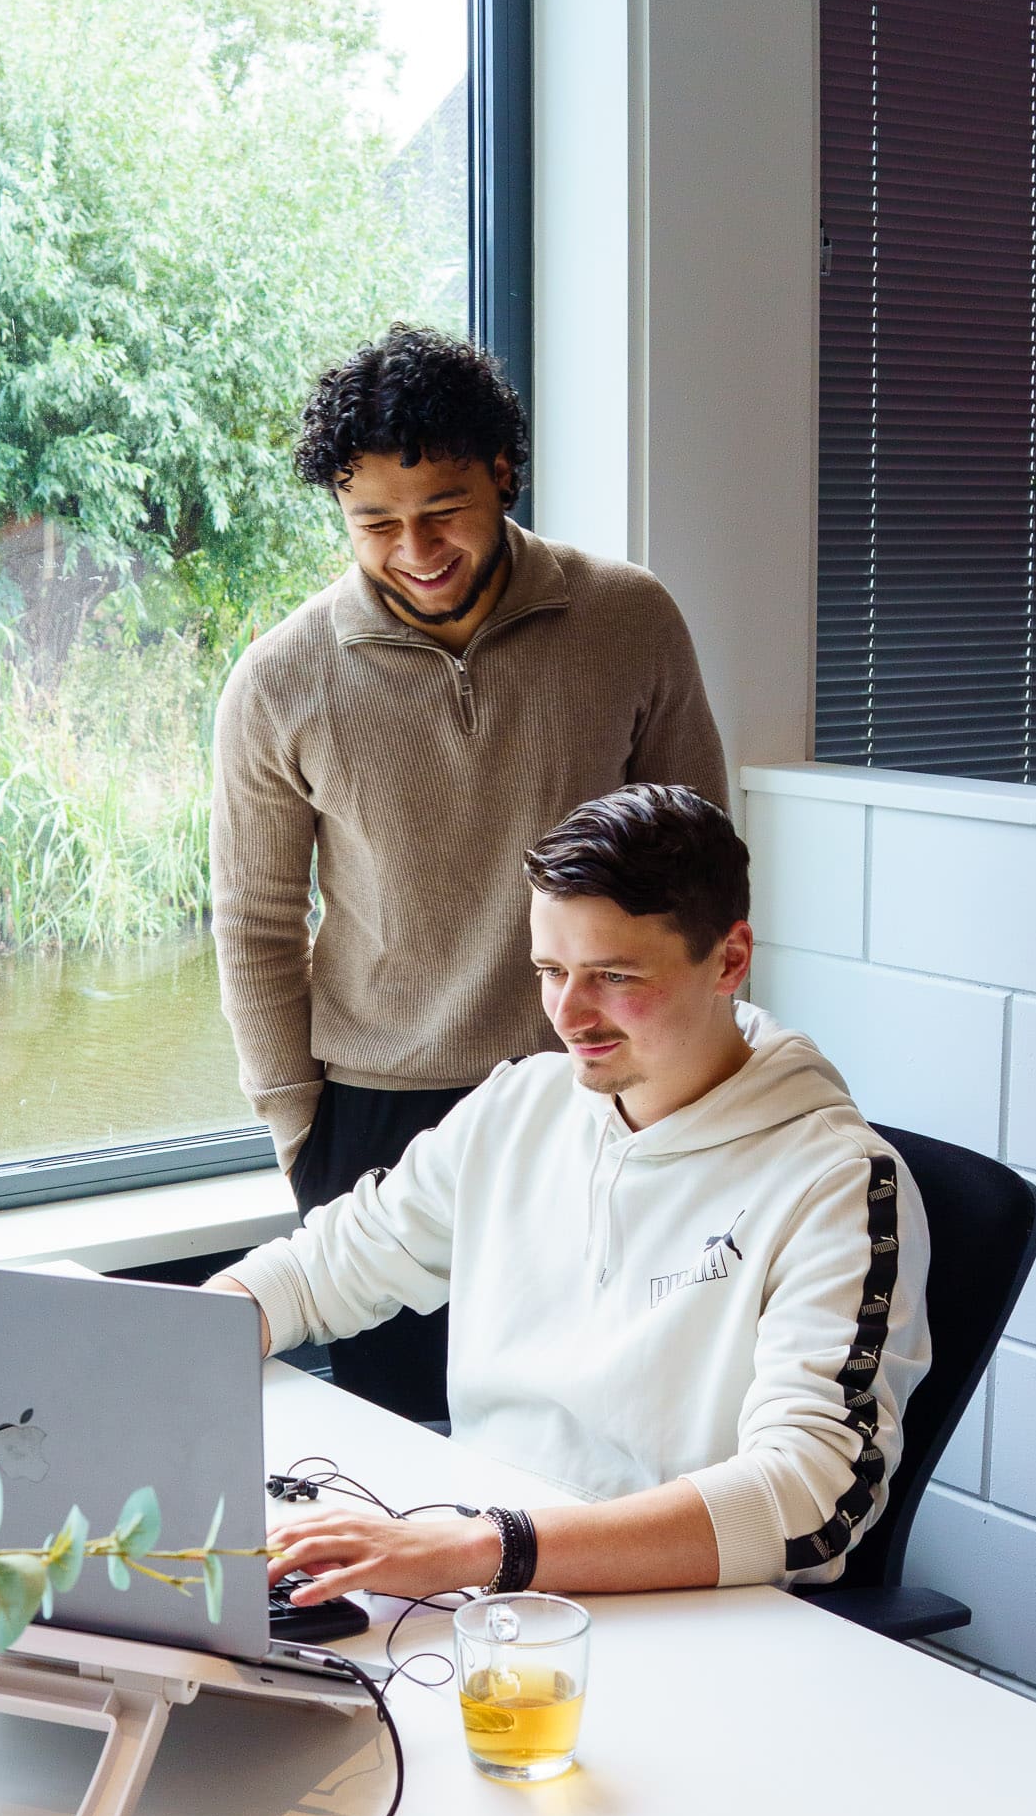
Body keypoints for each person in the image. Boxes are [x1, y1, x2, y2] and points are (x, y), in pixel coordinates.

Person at [206, 785, 932, 1602]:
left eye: (613, 976)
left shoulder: (834, 1181)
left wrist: (476, 1549)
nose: (567, 1014)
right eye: (550, 970)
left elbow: (810, 1494)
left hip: (680, 1609)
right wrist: (166, 1347)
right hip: (484, 1574)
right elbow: (320, 1271)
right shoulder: (519, 1106)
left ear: (729, 959)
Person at [210, 326, 727, 1417]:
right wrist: (299, 1132)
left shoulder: (629, 618)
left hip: (596, 1093)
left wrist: (679, 1080)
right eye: (375, 524)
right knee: (396, 1451)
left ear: (503, 472)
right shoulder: (278, 678)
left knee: (593, 1435)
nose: (415, 547)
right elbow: (254, 923)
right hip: (377, 1121)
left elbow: (702, 862)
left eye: (442, 510)